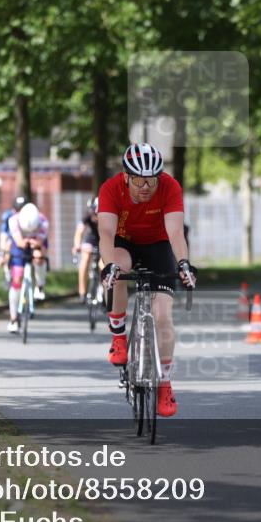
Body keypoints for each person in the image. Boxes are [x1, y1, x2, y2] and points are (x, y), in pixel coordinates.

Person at [98, 144, 195, 418]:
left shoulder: (170, 187)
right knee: (118, 270)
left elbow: (176, 232)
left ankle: (164, 383)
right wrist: (109, 266)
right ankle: (118, 336)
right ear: (126, 177)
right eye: (138, 180)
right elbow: (106, 232)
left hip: (158, 245)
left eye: (151, 180)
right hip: (123, 243)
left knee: (163, 316)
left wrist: (183, 264)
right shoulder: (110, 188)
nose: (145, 186)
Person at [3, 202, 50, 333]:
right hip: (19, 246)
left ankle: (40, 286)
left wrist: (35, 243)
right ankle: (13, 318)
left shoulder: (43, 221)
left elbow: (40, 241)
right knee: (17, 279)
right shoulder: (13, 220)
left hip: (36, 242)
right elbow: (18, 241)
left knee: (39, 257)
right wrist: (24, 241)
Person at [73, 196, 101, 302]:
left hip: (105, 239)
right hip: (92, 239)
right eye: (95, 214)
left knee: (103, 265)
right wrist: (77, 245)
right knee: (85, 259)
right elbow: (79, 232)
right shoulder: (87, 216)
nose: (96, 217)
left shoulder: (109, 216)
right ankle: (82, 292)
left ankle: (104, 292)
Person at [0, 195, 27, 283]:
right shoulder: (8, 217)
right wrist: (2, 255)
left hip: (26, 242)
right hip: (13, 244)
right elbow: (3, 236)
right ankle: (8, 273)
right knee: (9, 243)